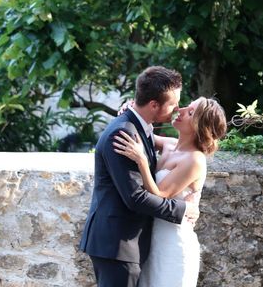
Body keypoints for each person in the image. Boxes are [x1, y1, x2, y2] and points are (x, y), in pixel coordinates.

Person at [79, 66, 189, 287]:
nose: (177, 110)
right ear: (153, 104)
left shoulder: (139, 126)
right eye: (173, 104)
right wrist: (183, 210)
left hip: (124, 244)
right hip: (118, 245)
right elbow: (135, 197)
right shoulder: (124, 134)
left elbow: (186, 148)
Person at [113, 96, 227, 287]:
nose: (180, 110)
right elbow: (142, 131)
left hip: (173, 243)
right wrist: (130, 110)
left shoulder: (194, 160)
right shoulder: (169, 144)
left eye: (190, 113)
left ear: (200, 127)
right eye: (186, 107)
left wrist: (141, 161)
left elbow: (159, 194)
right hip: (152, 240)